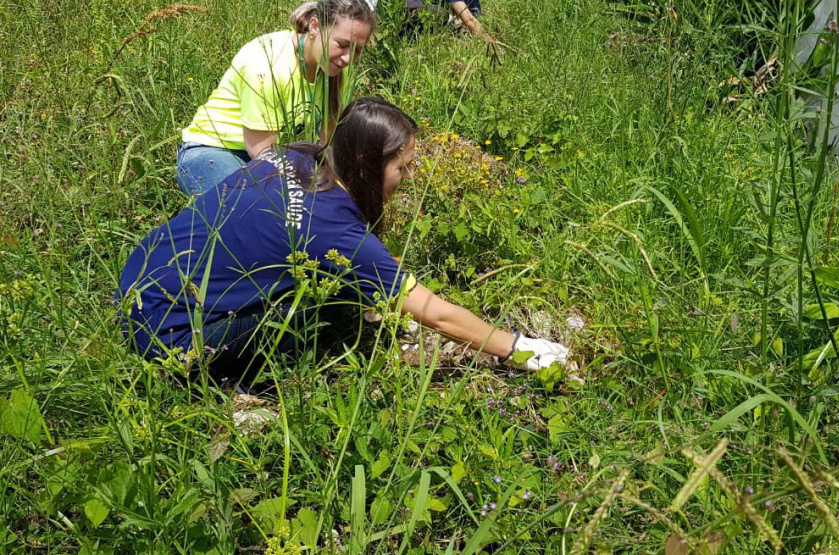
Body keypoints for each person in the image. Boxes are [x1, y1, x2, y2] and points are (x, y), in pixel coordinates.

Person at [120, 98, 570, 385]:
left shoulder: (290, 155)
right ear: (364, 162)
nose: (408, 178)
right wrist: (516, 347)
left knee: (326, 278)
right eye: (402, 167)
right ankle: (260, 384)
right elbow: (437, 313)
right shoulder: (333, 231)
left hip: (139, 277)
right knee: (317, 307)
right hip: (171, 339)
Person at [176, 0, 376, 196]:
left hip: (275, 155)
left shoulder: (337, 66)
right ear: (314, 26)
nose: (348, 58)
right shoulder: (267, 64)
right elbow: (262, 152)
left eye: (357, 50)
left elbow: (328, 139)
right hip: (215, 152)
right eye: (342, 45)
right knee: (252, 208)